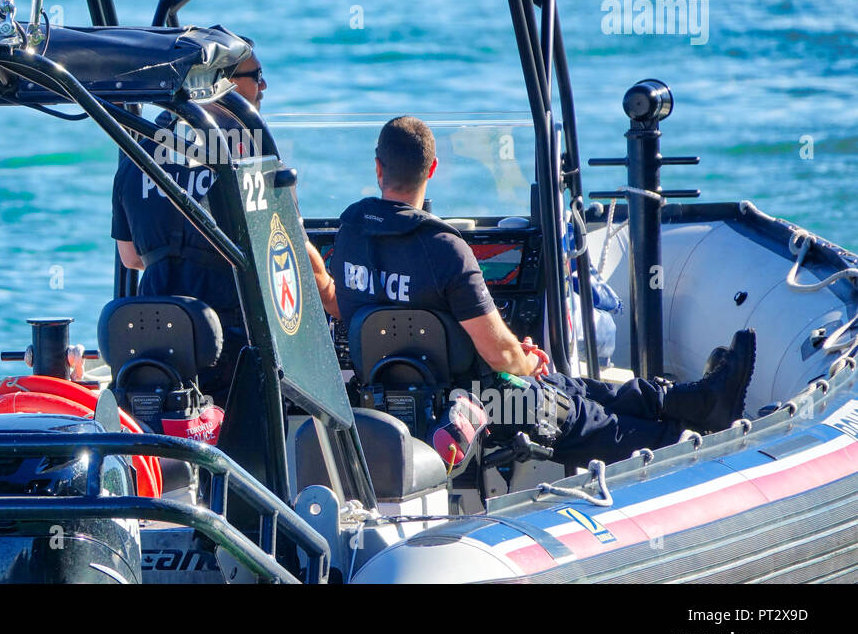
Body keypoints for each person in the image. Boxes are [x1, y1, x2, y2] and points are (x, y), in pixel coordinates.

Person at [329, 116, 755, 468]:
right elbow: (501, 357)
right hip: (480, 404)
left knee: (575, 388)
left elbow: (340, 300)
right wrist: (524, 359)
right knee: (582, 416)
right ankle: (696, 444)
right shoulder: (445, 250)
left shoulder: (348, 234)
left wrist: (521, 362)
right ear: (433, 169)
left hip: (385, 398)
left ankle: (695, 399)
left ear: (379, 168)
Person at [111, 50, 336, 394]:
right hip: (229, 349)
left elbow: (131, 258)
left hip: (152, 343)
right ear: (223, 83)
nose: (264, 86)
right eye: (256, 75)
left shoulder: (137, 148)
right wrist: (336, 297)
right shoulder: (252, 152)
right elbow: (287, 249)